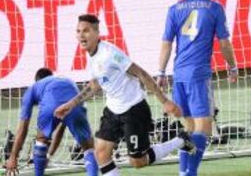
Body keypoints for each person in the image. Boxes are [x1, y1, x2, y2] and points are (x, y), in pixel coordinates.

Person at [54, 14, 196, 176]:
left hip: (133, 110)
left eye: (85, 31)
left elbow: (142, 74)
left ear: (96, 33)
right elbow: (95, 84)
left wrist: (165, 101)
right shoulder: (91, 55)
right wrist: (71, 104)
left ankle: (181, 140)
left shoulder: (110, 54)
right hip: (113, 110)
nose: (80, 35)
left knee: (137, 161)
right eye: (78, 31)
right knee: (101, 153)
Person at [157, 0, 238, 175]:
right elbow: (224, 43)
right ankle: (190, 173)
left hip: (179, 75)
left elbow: (167, 43)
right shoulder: (214, 8)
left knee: (190, 129)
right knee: (204, 129)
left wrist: (161, 72)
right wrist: (233, 66)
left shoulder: (174, 9)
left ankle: (183, 172)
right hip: (199, 75)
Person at [5, 68, 98, 176]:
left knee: (41, 139)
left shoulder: (33, 88)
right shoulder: (66, 80)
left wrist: (13, 157)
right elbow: (60, 129)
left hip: (51, 102)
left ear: (37, 80)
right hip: (75, 100)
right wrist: (48, 155)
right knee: (88, 147)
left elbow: (23, 128)